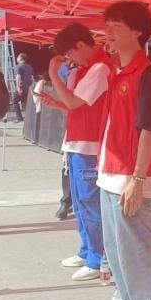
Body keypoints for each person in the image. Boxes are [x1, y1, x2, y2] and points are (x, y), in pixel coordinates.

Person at [95, 1, 151, 300]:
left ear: (137, 32)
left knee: (138, 253)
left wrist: (137, 179)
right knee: (118, 253)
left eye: (116, 26)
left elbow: (149, 128)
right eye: (107, 25)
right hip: (110, 174)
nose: (107, 32)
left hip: (131, 177)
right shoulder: (117, 71)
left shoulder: (146, 75)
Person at [38, 23, 111, 281]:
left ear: (80, 46)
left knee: (90, 204)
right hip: (78, 144)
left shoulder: (100, 68)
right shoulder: (88, 69)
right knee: (80, 204)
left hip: (89, 147)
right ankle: (87, 250)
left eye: (70, 53)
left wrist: (53, 74)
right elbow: (76, 106)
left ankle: (97, 257)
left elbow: (74, 102)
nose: (70, 59)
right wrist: (57, 102)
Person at [14, 53, 34, 122]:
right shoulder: (29, 67)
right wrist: (31, 87)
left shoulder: (18, 67)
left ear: (20, 58)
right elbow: (32, 78)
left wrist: (18, 87)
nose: (17, 58)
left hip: (21, 87)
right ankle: (29, 117)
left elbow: (18, 77)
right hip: (28, 88)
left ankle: (19, 118)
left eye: (18, 57)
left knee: (15, 101)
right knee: (27, 102)